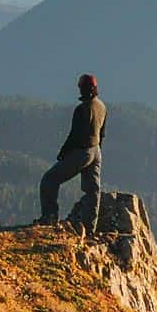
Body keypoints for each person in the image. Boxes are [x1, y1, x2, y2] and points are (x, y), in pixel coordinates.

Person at [38, 73, 107, 233]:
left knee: (49, 180)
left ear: (82, 89)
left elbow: (74, 136)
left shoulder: (82, 109)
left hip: (82, 153)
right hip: (96, 151)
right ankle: (90, 228)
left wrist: (63, 153)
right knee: (93, 191)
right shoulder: (102, 107)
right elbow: (102, 134)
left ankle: (49, 218)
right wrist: (96, 152)